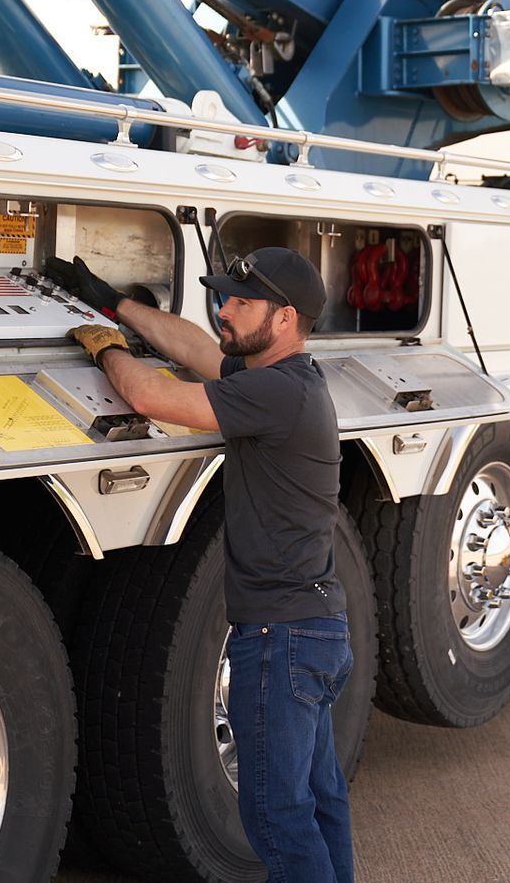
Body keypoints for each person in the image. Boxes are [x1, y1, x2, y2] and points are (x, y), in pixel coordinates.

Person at [71, 246, 354, 883]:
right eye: (224, 296)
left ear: (284, 319)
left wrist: (103, 344)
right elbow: (198, 350)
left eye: (240, 302)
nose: (224, 309)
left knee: (276, 817)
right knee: (318, 800)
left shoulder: (277, 394)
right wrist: (119, 304)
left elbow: (149, 396)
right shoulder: (285, 380)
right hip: (314, 629)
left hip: (281, 638)